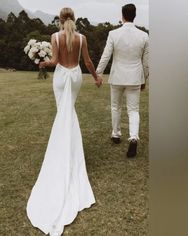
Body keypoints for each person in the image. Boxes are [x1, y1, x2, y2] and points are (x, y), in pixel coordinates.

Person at [26, 7, 102, 236]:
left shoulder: (55, 36)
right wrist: (97, 77)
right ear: (74, 20)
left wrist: (42, 62)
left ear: (60, 20)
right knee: (68, 113)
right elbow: (87, 62)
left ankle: (63, 151)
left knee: (64, 113)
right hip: (76, 76)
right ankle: (69, 151)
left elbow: (56, 60)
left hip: (60, 77)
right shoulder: (82, 38)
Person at [96, 3, 149, 158]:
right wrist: (144, 78)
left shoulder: (113, 34)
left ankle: (116, 134)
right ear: (135, 15)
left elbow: (106, 56)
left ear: (122, 15)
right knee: (133, 110)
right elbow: (146, 61)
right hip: (134, 78)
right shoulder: (144, 36)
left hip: (117, 76)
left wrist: (98, 73)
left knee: (115, 107)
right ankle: (133, 137)